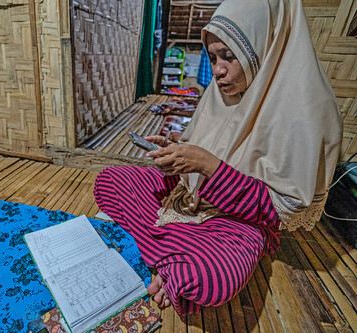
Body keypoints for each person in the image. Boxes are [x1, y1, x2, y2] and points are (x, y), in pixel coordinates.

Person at [94, 0, 342, 315]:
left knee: (214, 278)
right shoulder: (223, 90)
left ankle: (162, 254)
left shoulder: (308, 110)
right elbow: (203, 144)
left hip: (238, 222)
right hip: (190, 196)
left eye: (229, 56)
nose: (218, 70)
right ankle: (172, 263)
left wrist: (209, 166)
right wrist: (178, 149)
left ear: (265, 47)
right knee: (110, 180)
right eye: (213, 57)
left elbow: (283, 211)